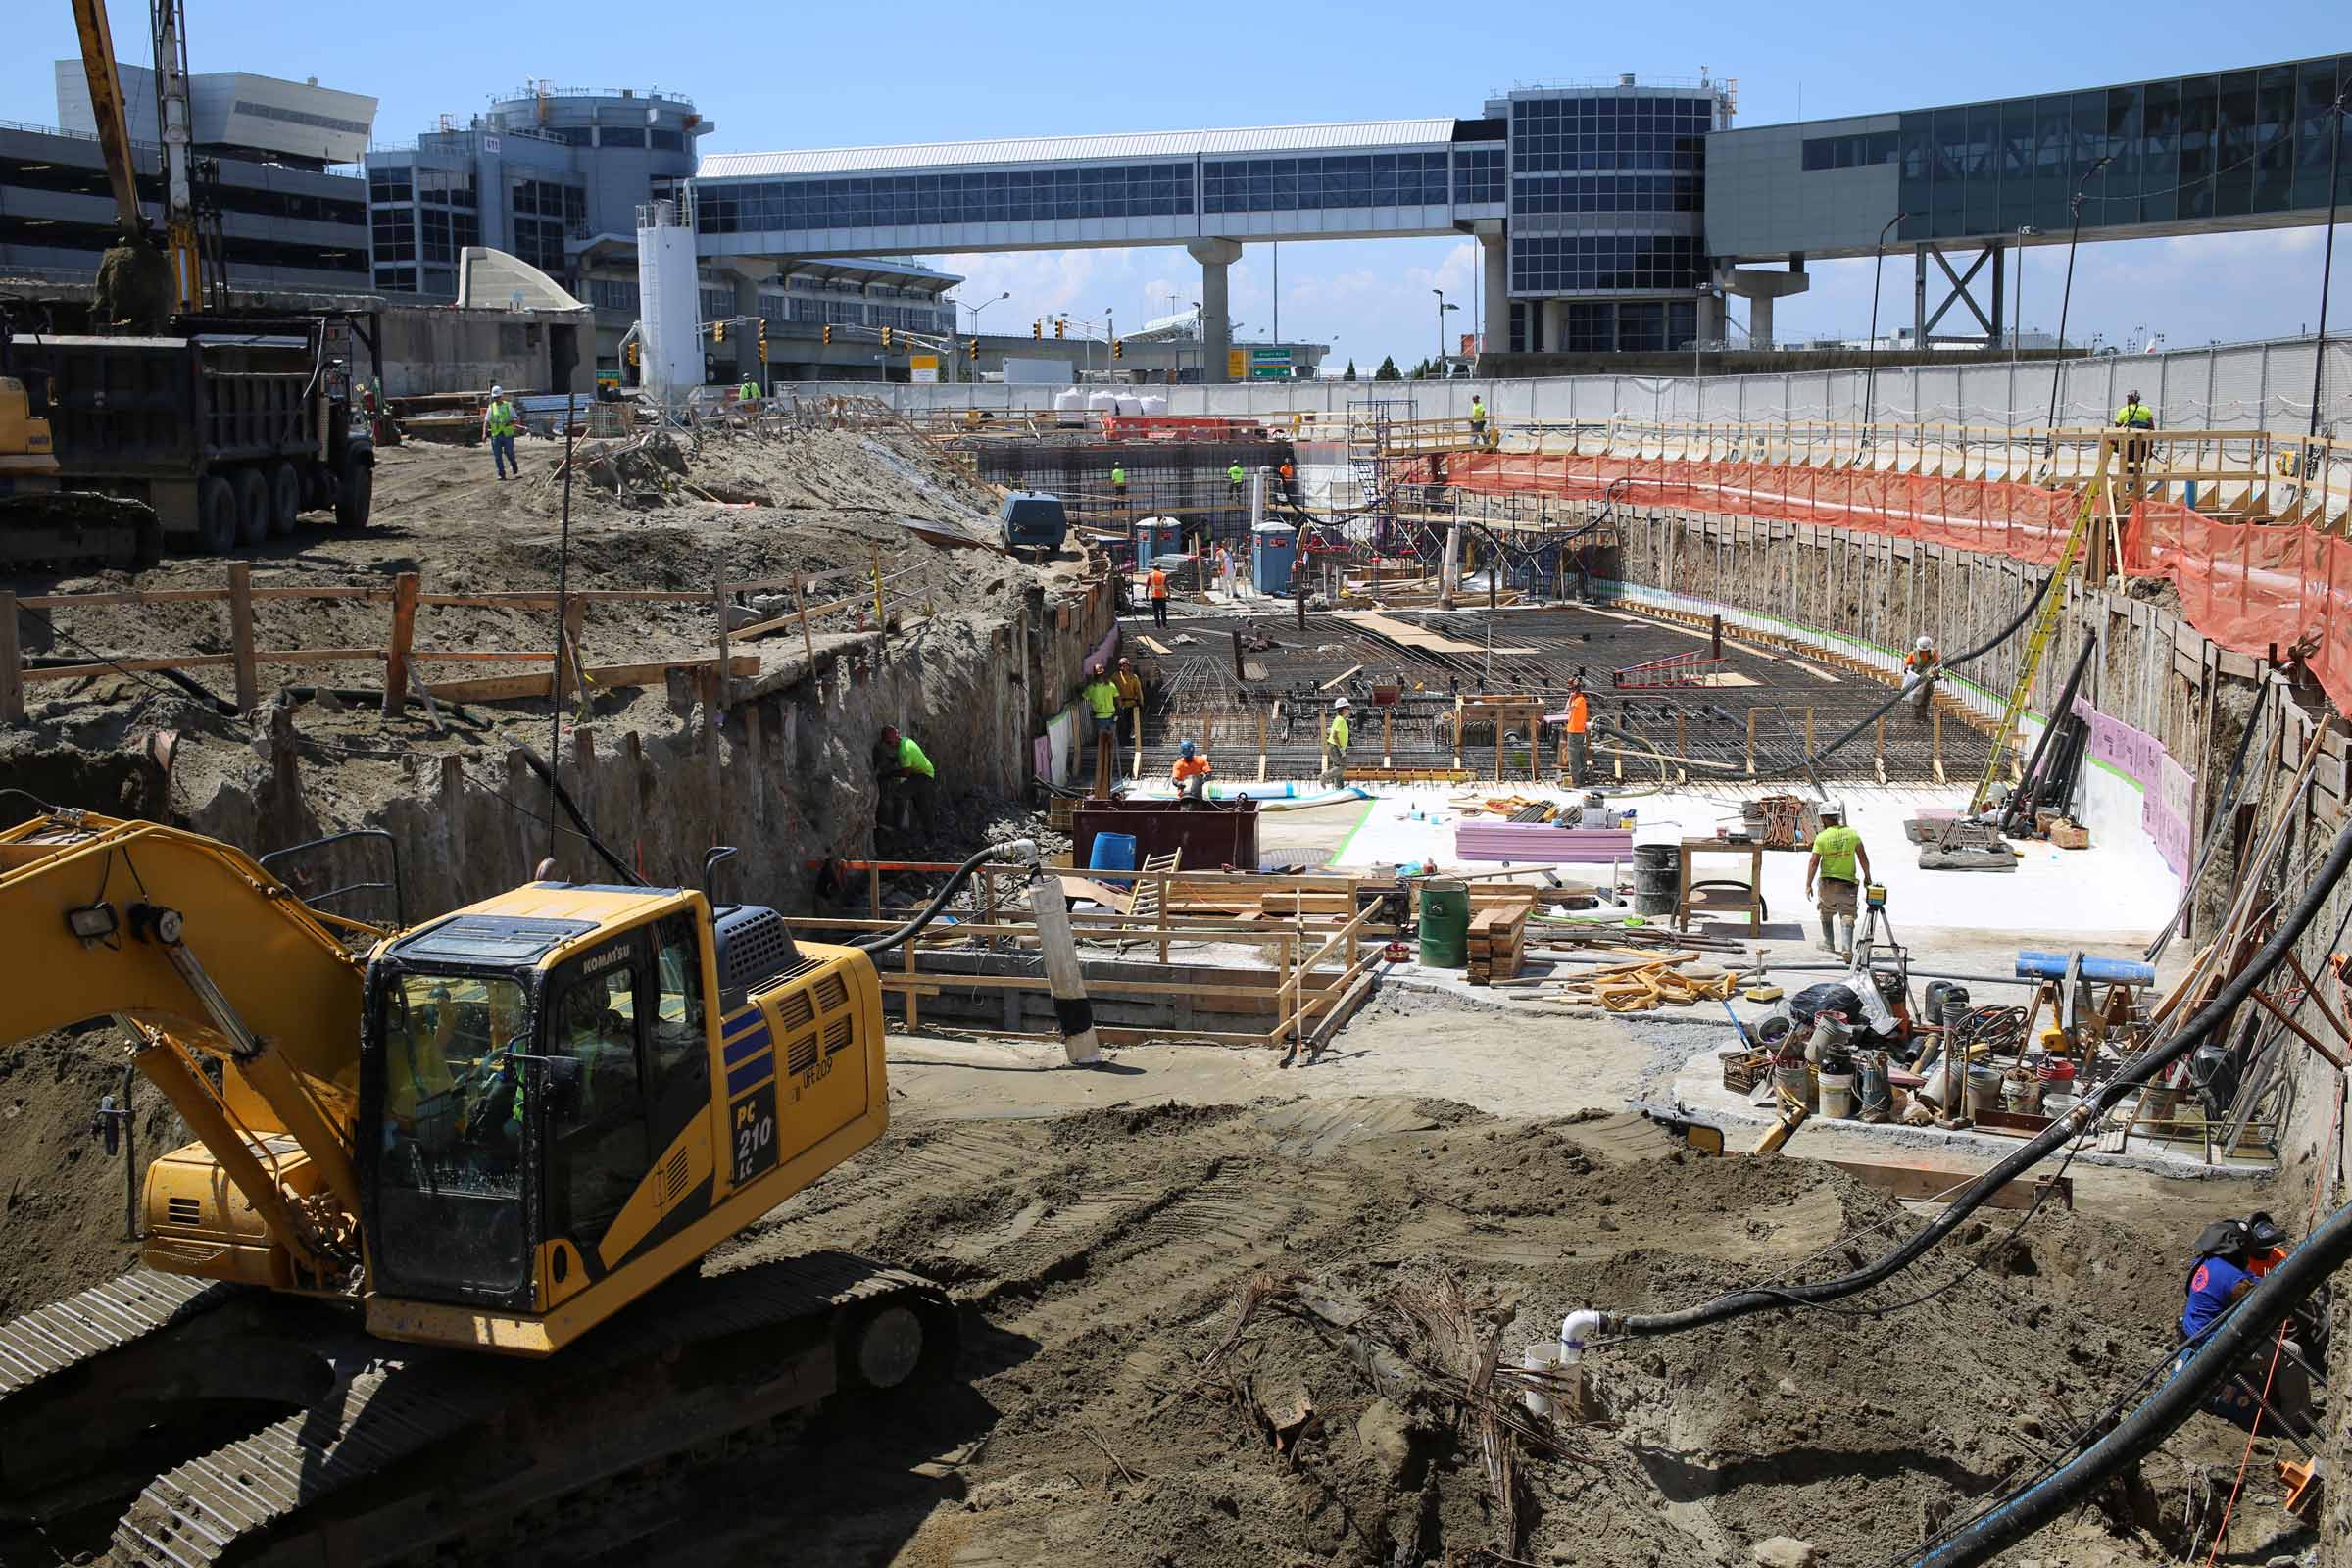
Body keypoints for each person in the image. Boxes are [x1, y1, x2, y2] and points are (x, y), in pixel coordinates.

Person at [2181, 1212, 2315, 1437]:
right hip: (2218, 1351)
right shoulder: (2231, 1278)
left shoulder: (2205, 1263)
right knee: (2292, 1352)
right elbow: (2260, 1301)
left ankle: (2271, 1394)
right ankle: (2298, 1421)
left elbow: (2252, 1282)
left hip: (2196, 1338)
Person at [1804, 804, 1870, 956]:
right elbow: (1863, 858)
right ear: (1837, 816)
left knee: (1826, 912)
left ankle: (1828, 943)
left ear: (1824, 819)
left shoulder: (1822, 837)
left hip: (1828, 884)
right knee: (1847, 914)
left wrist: (1808, 884)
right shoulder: (1852, 834)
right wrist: (1867, 877)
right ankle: (1846, 948)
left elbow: (1813, 862)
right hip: (1848, 885)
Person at [874, 724, 937, 832]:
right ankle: (930, 839)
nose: (889, 745)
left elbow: (905, 773)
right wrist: (893, 760)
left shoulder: (904, 750)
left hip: (923, 775)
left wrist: (888, 775)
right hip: (922, 773)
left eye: (889, 742)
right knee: (921, 807)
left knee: (899, 794)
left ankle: (896, 826)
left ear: (895, 738)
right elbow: (904, 758)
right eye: (887, 743)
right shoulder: (905, 740)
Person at [1082, 663, 1121, 796]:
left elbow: (1083, 696)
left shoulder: (1094, 688)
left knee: (1106, 746)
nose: (1100, 677)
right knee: (1106, 746)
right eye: (1100, 675)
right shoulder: (1107, 686)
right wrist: (1118, 711)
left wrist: (1117, 712)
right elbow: (1118, 699)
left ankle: (1108, 772)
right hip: (1105, 718)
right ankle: (1105, 773)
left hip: (1105, 718)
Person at [2114, 389, 2157, 475]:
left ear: (2129, 399)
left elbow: (2117, 427)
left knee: (2128, 462)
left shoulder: (2123, 410)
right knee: (2139, 463)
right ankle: (2137, 484)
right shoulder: (2146, 410)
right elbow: (2152, 427)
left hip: (2128, 443)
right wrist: (2151, 444)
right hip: (2142, 443)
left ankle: (2130, 484)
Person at [484, 385, 521, 482]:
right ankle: (501, 474)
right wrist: (484, 434)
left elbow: (516, 419)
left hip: (507, 434)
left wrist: (511, 422)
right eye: (495, 397)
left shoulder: (508, 406)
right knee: (497, 456)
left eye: (498, 397)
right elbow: (486, 421)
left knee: (509, 453)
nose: (496, 399)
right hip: (496, 435)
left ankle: (514, 466)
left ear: (502, 396)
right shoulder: (491, 407)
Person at [1902, 635, 1940, 723]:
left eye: (1926, 650)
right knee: (1916, 697)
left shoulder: (1933, 653)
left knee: (1926, 697)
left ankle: (1923, 716)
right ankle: (1917, 715)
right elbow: (1906, 663)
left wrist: (1937, 674)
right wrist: (1906, 669)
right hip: (1917, 678)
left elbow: (1938, 664)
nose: (1924, 652)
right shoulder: (1913, 654)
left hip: (1928, 679)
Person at [1564, 680, 1592, 784]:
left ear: (1575, 691)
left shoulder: (1578, 700)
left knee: (1573, 757)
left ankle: (1576, 781)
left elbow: (1566, 709)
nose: (1569, 692)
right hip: (1578, 731)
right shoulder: (1579, 700)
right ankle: (1580, 780)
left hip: (1575, 731)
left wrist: (1570, 697)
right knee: (1579, 755)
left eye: (1571, 690)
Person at [1171, 738, 1213, 802]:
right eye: (1186, 756)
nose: (1187, 758)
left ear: (1192, 752)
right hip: (1183, 794)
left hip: (1197, 793)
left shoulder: (1200, 760)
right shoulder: (1178, 764)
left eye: (1189, 756)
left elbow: (1208, 773)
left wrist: (1203, 780)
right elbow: (1174, 779)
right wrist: (1178, 783)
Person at [1323, 697, 1352, 788]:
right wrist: (1340, 748)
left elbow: (1333, 732)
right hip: (1335, 747)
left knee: (1338, 766)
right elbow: (1335, 736)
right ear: (1342, 709)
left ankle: (1338, 787)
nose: (1349, 710)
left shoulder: (1339, 719)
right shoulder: (1340, 720)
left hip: (1334, 746)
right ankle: (1324, 777)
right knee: (1342, 767)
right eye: (1347, 708)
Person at [1112, 656, 1145, 737]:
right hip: (1120, 705)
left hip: (1132, 704)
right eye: (1122, 665)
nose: (1124, 667)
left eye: (1126, 666)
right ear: (1120, 666)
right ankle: (1123, 739)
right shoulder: (1115, 677)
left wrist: (1141, 703)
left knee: (1133, 724)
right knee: (1122, 725)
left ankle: (1132, 738)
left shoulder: (1134, 677)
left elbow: (1138, 691)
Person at [1147, 562, 1169, 628]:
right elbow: (1166, 585)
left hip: (1154, 596)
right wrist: (1169, 593)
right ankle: (1164, 624)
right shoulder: (1163, 575)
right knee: (1163, 610)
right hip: (1162, 596)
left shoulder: (1150, 575)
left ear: (1153, 568)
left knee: (1156, 611)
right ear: (1160, 568)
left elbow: (1147, 586)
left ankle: (1157, 625)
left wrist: (1146, 594)